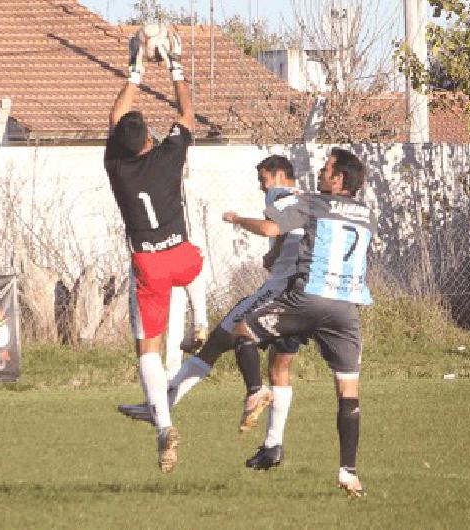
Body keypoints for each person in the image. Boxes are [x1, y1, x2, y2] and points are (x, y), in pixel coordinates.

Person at [119, 155, 306, 468]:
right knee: (281, 367)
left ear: (277, 175)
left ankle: (164, 404)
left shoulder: (280, 196)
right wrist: (275, 256)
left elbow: (273, 229)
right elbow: (287, 239)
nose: (262, 187)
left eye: (263, 179)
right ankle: (273, 445)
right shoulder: (309, 201)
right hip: (305, 295)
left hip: (278, 291)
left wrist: (237, 220)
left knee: (220, 341)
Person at [222, 148, 376, 498]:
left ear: (337, 180)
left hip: (307, 298)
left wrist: (237, 219)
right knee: (348, 392)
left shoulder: (315, 202)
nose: (321, 173)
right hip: (346, 309)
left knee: (242, 331)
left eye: (326, 169)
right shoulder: (368, 214)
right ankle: (348, 472)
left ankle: (254, 391)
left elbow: (270, 228)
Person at [104, 26, 203, 473]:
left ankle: (163, 426)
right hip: (180, 255)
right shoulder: (167, 156)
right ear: (148, 139)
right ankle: (201, 321)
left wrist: (136, 69)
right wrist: (175, 64)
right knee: (198, 260)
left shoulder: (118, 167)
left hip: (147, 261)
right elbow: (187, 114)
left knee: (147, 347)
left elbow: (115, 117)